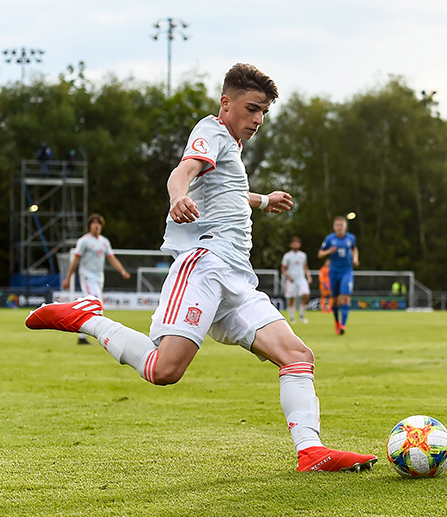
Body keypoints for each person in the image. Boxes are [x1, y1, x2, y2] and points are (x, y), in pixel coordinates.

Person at [26, 63, 377, 473]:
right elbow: (183, 172)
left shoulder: (231, 146)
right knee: (164, 370)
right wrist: (177, 197)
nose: (259, 119)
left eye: (264, 112)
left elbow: (228, 192)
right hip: (204, 265)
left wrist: (263, 200)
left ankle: (311, 450)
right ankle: (88, 318)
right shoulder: (211, 131)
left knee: (297, 355)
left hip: (237, 279)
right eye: (252, 108)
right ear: (226, 103)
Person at [62, 213, 131, 344]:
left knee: (91, 305)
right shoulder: (84, 241)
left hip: (99, 278)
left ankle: (83, 336)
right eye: (94, 223)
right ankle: (95, 334)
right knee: (95, 303)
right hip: (87, 277)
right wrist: (68, 278)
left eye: (99, 223)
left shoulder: (104, 242)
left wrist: (122, 271)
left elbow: (111, 258)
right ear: (89, 226)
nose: (96, 226)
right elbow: (75, 260)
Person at [318, 216, 358, 335]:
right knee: (334, 300)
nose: (339, 227)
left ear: (345, 227)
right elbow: (320, 254)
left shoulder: (351, 238)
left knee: (345, 297)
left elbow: (355, 249)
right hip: (334, 271)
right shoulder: (330, 239)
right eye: (337, 225)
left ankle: (343, 325)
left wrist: (355, 258)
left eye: (342, 225)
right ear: (334, 227)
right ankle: (336, 321)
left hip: (346, 271)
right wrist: (328, 251)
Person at [281, 236, 312, 324]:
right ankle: (292, 318)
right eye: (294, 243)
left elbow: (305, 267)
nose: (295, 245)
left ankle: (301, 315)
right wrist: (289, 277)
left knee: (306, 295)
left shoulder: (303, 255)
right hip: (292, 280)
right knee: (292, 298)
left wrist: (308, 276)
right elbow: (283, 269)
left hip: (301, 278)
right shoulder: (287, 256)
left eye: (297, 243)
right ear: (291, 245)